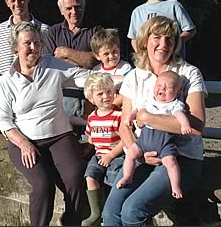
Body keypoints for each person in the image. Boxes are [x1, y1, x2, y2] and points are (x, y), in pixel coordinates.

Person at [102, 15, 207, 226]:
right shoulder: (134, 77)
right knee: (111, 213)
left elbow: (196, 126)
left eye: (169, 39)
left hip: (180, 158)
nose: (163, 44)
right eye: (156, 37)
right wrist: (138, 153)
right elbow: (125, 126)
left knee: (133, 211)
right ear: (145, 40)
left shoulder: (188, 74)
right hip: (142, 154)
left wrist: (146, 117)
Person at [0, 21, 91, 226]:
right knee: (43, 184)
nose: (33, 48)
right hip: (24, 140)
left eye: (37, 43)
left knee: (74, 177)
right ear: (16, 47)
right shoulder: (7, 81)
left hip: (59, 136)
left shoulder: (53, 66)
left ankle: (70, 222)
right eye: (27, 43)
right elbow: (3, 119)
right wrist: (23, 144)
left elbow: (85, 77)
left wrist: (124, 78)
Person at [117, 70, 193, 200]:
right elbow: (137, 109)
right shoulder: (149, 100)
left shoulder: (174, 104)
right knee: (130, 153)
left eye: (168, 87)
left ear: (178, 93)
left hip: (164, 143)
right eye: (159, 85)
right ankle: (128, 176)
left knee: (171, 162)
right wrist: (130, 117)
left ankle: (175, 186)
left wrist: (185, 125)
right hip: (144, 140)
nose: (162, 89)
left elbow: (180, 115)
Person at [43, 0, 102, 134]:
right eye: (69, 8)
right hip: (63, 97)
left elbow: (94, 60)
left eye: (78, 7)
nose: (74, 12)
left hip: (90, 97)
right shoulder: (53, 32)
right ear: (62, 11)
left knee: (91, 138)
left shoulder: (96, 30)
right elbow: (48, 64)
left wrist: (65, 52)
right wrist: (82, 59)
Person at [81, 73, 126, 226]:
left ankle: (110, 210)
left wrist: (112, 155)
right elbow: (91, 138)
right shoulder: (92, 117)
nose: (106, 96)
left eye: (109, 91)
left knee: (112, 180)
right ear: (91, 99)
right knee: (90, 176)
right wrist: (87, 149)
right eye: (100, 94)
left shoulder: (118, 115)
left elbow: (124, 140)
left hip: (117, 155)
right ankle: (96, 212)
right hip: (98, 154)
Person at [90, 28, 132, 107]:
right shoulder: (96, 70)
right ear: (98, 56)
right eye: (106, 54)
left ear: (119, 49)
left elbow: (127, 84)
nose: (111, 56)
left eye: (114, 52)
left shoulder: (125, 67)